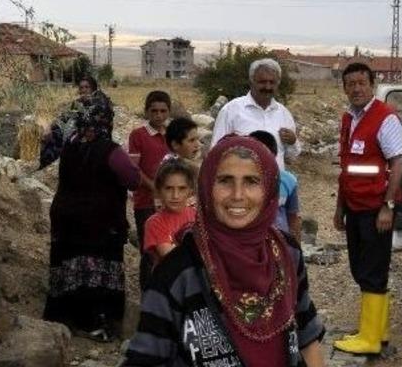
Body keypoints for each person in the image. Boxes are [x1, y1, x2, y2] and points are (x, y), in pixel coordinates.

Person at [123, 136, 325, 367]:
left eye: (251, 181)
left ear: (269, 189)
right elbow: (144, 358)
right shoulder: (177, 273)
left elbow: (307, 338)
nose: (238, 195)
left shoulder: (287, 253)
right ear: (207, 186)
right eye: (225, 181)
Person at [43, 95, 140, 342]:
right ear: (107, 121)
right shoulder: (112, 151)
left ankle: (64, 317)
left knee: (69, 266)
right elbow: (133, 180)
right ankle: (96, 323)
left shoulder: (70, 145)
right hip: (100, 222)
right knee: (98, 269)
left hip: (66, 218)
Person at [332, 62, 402, 355]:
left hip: (376, 209)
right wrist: (340, 207)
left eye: (362, 83)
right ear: (345, 88)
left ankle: (370, 340)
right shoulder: (349, 119)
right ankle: (378, 331)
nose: (356, 88)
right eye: (351, 84)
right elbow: (347, 167)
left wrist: (387, 206)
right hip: (355, 207)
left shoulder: (385, 118)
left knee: (372, 271)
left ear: (372, 85)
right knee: (363, 269)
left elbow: (397, 163)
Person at [211, 58, 301, 172]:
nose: (268, 87)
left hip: (274, 185)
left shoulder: (284, 114)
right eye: (262, 82)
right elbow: (216, 152)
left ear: (278, 84)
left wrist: (293, 142)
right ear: (251, 81)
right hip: (242, 186)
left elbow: (291, 158)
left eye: (272, 82)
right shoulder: (231, 110)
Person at [127, 90, 172, 288]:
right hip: (145, 202)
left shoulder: (172, 135)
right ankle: (148, 293)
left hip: (171, 202)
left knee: (169, 247)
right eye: (154, 111)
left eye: (163, 111)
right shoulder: (138, 135)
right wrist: (153, 186)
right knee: (149, 249)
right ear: (147, 112)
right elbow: (133, 168)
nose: (159, 115)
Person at [39, 75, 113, 169]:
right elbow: (64, 118)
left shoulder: (102, 100)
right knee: (54, 134)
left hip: (98, 138)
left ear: (93, 88)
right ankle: (44, 165)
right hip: (81, 136)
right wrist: (49, 127)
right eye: (81, 87)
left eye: (87, 87)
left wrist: (87, 101)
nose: (83, 90)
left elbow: (99, 109)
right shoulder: (79, 103)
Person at [143, 157, 197, 267]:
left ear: (190, 191)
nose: (175, 196)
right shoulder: (155, 223)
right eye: (168, 188)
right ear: (159, 190)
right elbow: (171, 257)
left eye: (182, 188)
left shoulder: (197, 216)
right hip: (170, 281)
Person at [249, 130, 301, 240]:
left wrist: (296, 249)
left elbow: (293, 217)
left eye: (264, 154)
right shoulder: (239, 183)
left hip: (281, 241)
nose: (259, 159)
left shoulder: (287, 181)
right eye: (254, 154)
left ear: (274, 155)